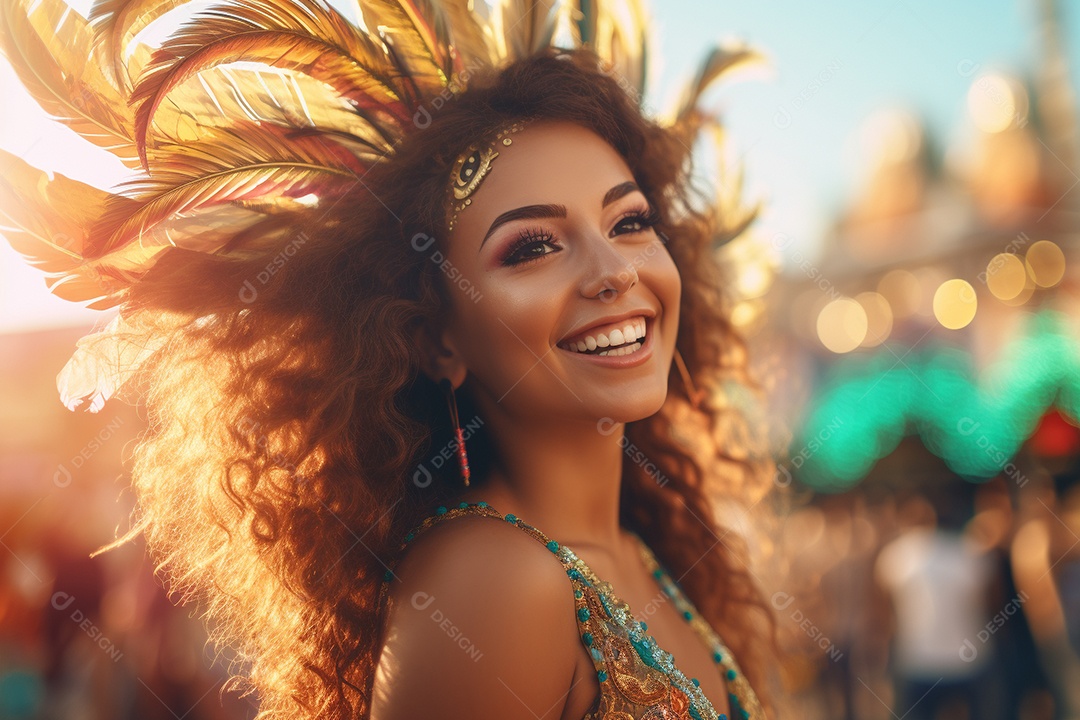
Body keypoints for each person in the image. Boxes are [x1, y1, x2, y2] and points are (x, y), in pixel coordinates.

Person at [0, 0, 783, 717]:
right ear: (437, 337)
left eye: (630, 221)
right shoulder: (494, 582)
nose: (614, 271)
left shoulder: (647, 556)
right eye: (533, 246)